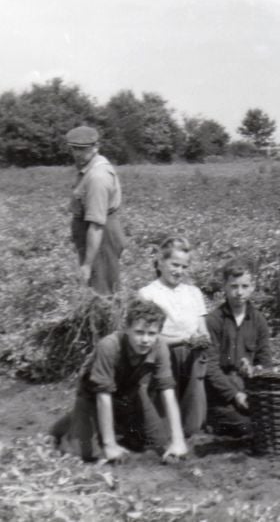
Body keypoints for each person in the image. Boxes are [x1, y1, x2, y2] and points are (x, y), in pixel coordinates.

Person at [50, 298, 188, 462]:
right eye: (139, 332)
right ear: (127, 329)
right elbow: (103, 394)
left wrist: (178, 441)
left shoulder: (160, 347)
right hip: (93, 395)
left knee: (157, 441)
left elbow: (168, 391)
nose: (145, 340)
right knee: (86, 454)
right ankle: (72, 421)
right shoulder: (108, 346)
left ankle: (111, 423)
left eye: (151, 333)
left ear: (159, 333)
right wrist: (110, 445)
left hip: (130, 393)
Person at [138, 237, 210, 436]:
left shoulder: (193, 293)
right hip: (162, 356)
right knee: (160, 429)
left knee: (192, 426)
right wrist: (183, 340)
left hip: (192, 358)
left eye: (184, 266)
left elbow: (202, 329)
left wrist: (201, 338)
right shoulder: (148, 294)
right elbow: (147, 339)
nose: (179, 271)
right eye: (174, 264)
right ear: (161, 262)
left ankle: (190, 418)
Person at [205, 257, 272, 437]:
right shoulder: (214, 320)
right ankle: (215, 421)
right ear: (225, 288)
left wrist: (255, 371)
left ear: (252, 287)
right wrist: (235, 395)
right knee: (247, 426)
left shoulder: (259, 320)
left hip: (250, 387)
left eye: (244, 286)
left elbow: (265, 361)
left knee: (272, 420)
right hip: (224, 391)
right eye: (234, 287)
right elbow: (210, 368)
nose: (239, 292)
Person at [67, 125, 125, 295]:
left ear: (95, 147)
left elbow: (96, 226)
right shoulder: (88, 167)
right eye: (74, 149)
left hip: (101, 239)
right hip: (95, 238)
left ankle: (110, 321)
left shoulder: (97, 177)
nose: (77, 154)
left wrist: (87, 264)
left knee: (103, 294)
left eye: (83, 149)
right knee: (97, 289)